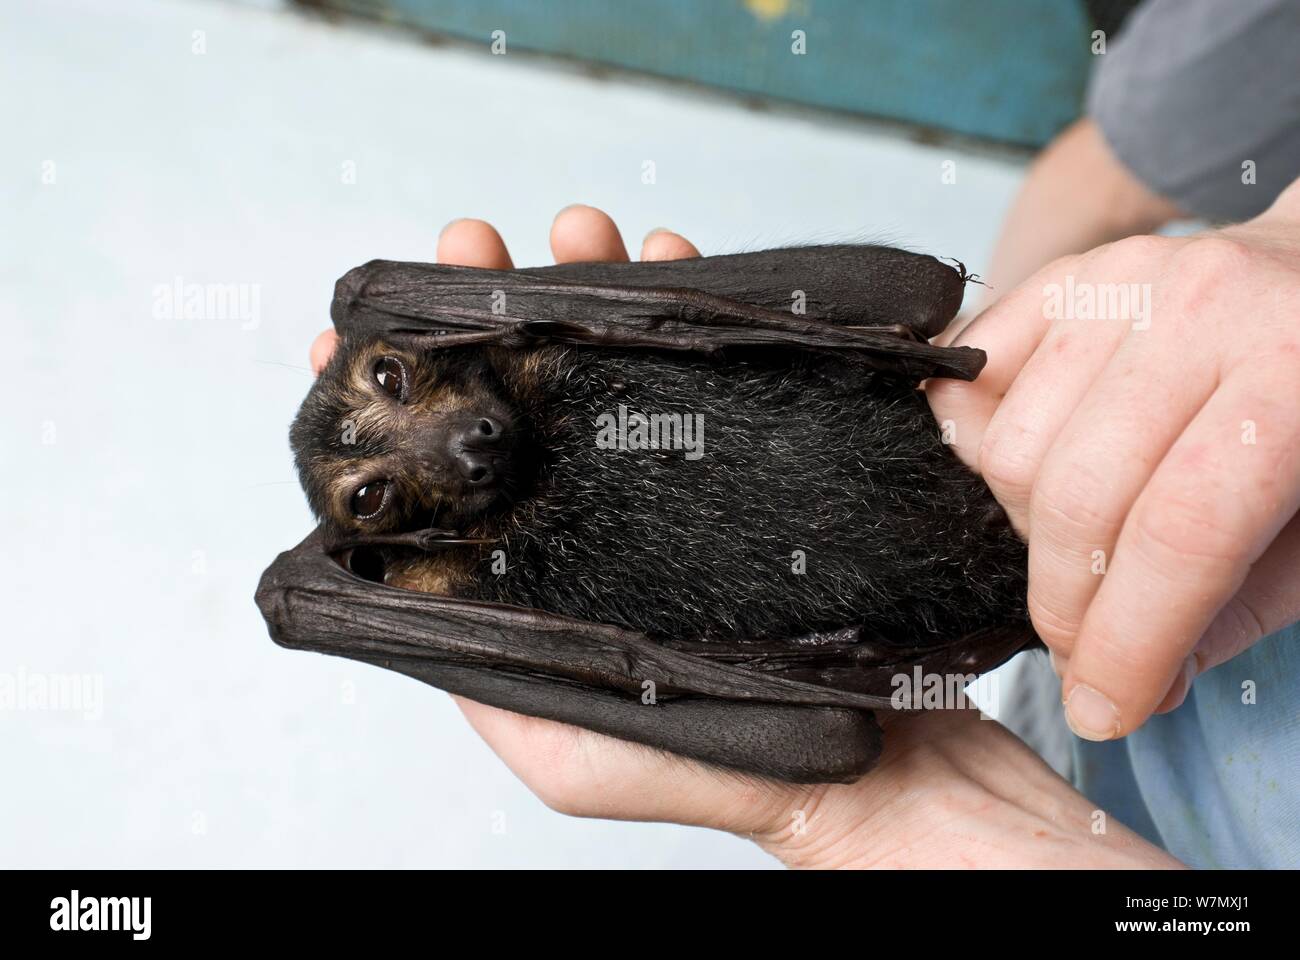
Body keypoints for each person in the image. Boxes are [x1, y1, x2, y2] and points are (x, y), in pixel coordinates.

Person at [307, 0, 1300, 867]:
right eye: (380, 494)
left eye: (392, 380)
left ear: (413, 341)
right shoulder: (481, 589)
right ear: (386, 556)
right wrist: (889, 827)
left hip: (1083, 603)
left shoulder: (540, 344)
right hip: (1058, 640)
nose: (439, 443)